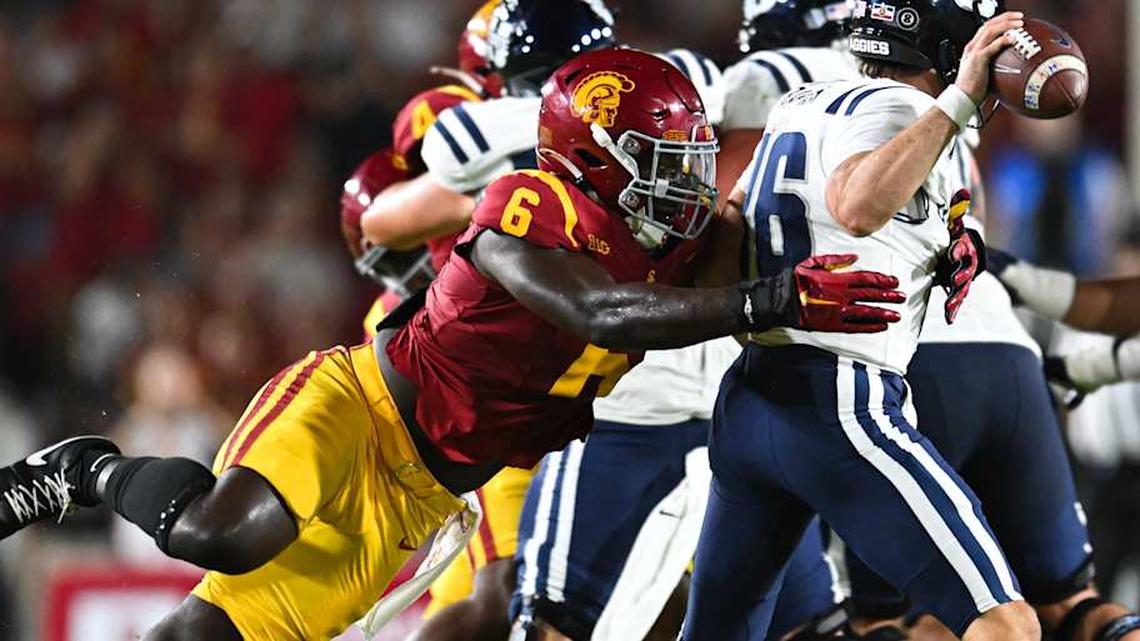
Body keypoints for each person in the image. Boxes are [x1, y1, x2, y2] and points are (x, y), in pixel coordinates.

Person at [0, 47, 904, 641]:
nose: (686, 185)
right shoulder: (529, 204)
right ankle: (86, 468)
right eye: (661, 163)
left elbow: (800, 206)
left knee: (200, 636)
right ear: (596, 157)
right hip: (359, 410)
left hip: (428, 490)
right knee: (219, 534)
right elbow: (599, 313)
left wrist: (941, 234)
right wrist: (771, 298)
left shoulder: (683, 244)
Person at [716, 3, 1140, 641]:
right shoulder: (910, 108)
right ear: (950, 49)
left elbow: (730, 225)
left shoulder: (796, 102)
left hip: (751, 399)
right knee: (1011, 621)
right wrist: (961, 98)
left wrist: (763, 305)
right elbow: (857, 205)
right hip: (847, 401)